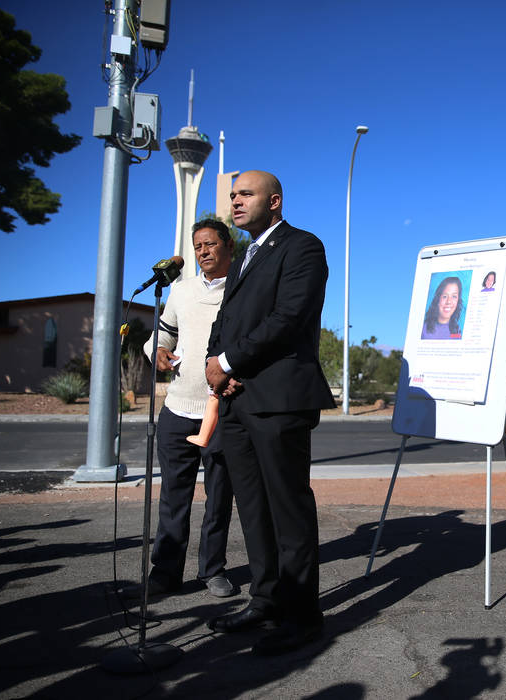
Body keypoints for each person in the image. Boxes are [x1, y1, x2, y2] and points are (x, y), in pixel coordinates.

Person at [205, 170, 337, 656]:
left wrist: (228, 360)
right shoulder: (242, 257)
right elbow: (227, 320)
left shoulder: (303, 247)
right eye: (233, 196)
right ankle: (266, 600)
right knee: (253, 508)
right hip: (238, 397)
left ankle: (303, 617)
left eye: (246, 194)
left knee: (288, 509)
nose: (235, 202)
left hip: (280, 399)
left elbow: (288, 318)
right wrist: (214, 362)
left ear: (274, 201)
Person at [144, 219, 236, 599]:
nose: (203, 252)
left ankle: (212, 570)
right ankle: (165, 573)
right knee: (173, 498)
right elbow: (160, 335)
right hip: (178, 410)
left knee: (218, 498)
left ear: (228, 247)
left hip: (223, 412)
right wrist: (158, 352)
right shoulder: (181, 291)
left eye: (211, 244)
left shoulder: (241, 289)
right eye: (198, 246)